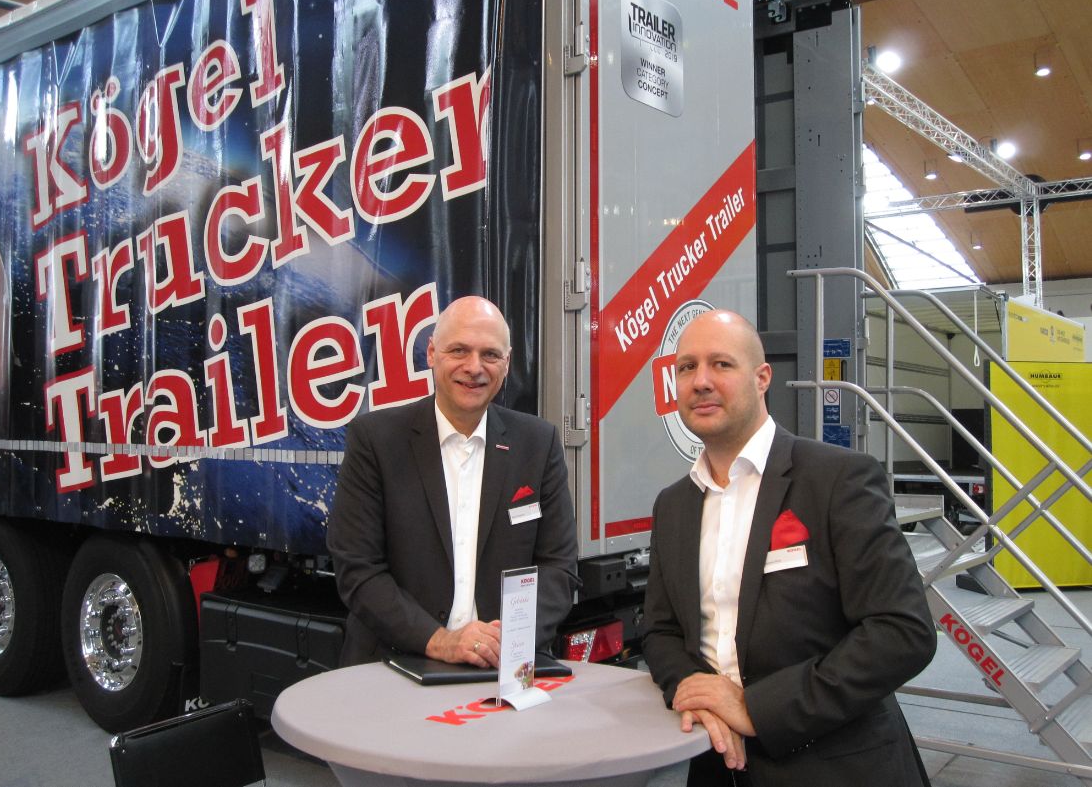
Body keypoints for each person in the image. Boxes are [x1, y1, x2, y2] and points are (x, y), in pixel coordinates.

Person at [642, 310, 936, 787]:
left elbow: (902, 632)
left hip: (833, 765)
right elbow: (660, 630)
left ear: (762, 379)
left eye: (721, 364)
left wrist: (756, 709)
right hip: (717, 762)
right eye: (686, 367)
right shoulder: (673, 505)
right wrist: (694, 692)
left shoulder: (837, 479)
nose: (701, 381)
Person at [328, 295, 579, 668]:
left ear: (507, 363)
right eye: (459, 350)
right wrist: (440, 641)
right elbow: (358, 570)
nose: (474, 367)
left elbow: (559, 568)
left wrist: (502, 641)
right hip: (396, 665)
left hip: (503, 665)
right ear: (432, 353)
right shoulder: (376, 441)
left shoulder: (538, 444)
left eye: (490, 354)